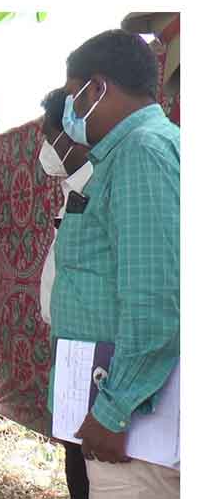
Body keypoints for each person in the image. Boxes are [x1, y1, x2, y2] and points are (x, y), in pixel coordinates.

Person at [50, 30, 180, 498]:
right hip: (136, 422)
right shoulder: (138, 152)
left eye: (73, 96)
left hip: (143, 435)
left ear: (97, 88)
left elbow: (157, 297)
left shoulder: (142, 152)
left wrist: (115, 409)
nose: (72, 111)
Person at [37, 87, 92, 499]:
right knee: (75, 453)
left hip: (94, 346)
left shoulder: (100, 190)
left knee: (90, 463)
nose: (44, 147)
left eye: (48, 134)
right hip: (72, 340)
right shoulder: (73, 188)